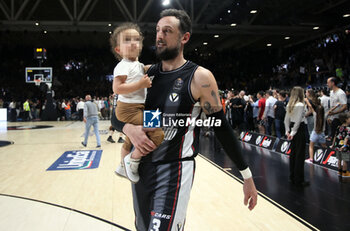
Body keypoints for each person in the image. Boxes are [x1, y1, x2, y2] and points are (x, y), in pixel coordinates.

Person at [114, 9, 257, 231]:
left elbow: (221, 127)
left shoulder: (200, 77)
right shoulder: (145, 74)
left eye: (167, 31)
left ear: (185, 38)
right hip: (141, 170)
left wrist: (246, 175)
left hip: (174, 170)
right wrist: (128, 129)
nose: (159, 36)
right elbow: (118, 115)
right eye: (158, 30)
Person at [110, 22, 164, 183]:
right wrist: (140, 84)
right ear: (118, 50)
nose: (133, 42)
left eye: (136, 39)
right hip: (128, 110)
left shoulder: (137, 65)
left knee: (130, 138)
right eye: (127, 40)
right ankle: (132, 161)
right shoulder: (122, 66)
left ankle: (121, 166)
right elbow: (117, 88)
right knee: (158, 134)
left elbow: (144, 69)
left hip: (138, 108)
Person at [284, 86, 309, 187]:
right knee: (299, 155)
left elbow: (286, 120)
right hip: (299, 130)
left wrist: (287, 131)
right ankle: (299, 179)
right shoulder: (300, 105)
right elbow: (298, 121)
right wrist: (293, 133)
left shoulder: (290, 104)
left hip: (291, 128)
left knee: (293, 154)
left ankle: (292, 177)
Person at [304, 95, 327, 163]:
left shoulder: (315, 115)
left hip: (315, 132)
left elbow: (311, 107)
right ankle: (327, 156)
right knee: (324, 146)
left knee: (311, 146)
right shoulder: (325, 116)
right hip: (322, 133)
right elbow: (330, 111)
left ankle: (311, 158)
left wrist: (307, 101)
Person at [330, 112, 350, 177]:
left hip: (337, 146)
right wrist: (344, 146)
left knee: (339, 159)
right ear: (346, 119)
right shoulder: (348, 129)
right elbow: (346, 138)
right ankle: (344, 172)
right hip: (344, 147)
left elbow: (335, 136)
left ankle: (339, 171)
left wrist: (333, 144)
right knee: (345, 160)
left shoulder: (338, 127)